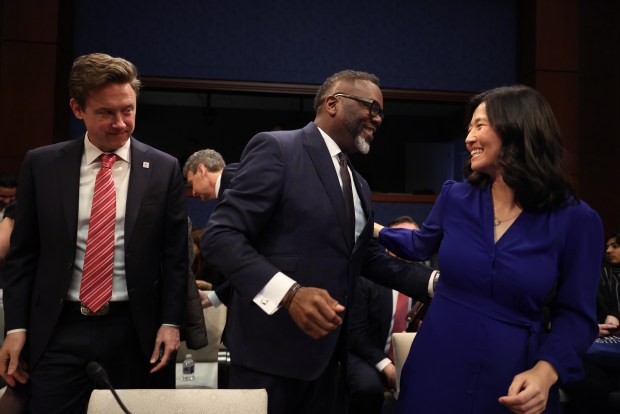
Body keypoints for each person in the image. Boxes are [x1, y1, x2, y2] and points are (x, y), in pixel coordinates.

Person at [202, 70, 437, 414]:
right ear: (333, 104)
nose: (378, 118)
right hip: (269, 356)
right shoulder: (278, 149)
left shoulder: (358, 183)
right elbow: (220, 237)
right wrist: (290, 294)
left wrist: (433, 283)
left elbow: (365, 257)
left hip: (329, 361)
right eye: (372, 107)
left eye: (382, 112)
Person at [374, 85, 604, 414]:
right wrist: (370, 228)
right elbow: (419, 243)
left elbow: (579, 317)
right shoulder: (455, 198)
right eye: (469, 127)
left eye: (479, 125)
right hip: (435, 365)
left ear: (518, 129)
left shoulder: (577, 220)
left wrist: (546, 371)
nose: (468, 138)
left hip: (512, 377)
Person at [0, 53, 188, 413]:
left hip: (135, 331)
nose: (120, 123)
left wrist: (170, 322)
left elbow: (175, 257)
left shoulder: (164, 169)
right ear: (77, 108)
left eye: (128, 110)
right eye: (106, 112)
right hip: (58, 328)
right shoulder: (42, 165)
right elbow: (24, 256)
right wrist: (16, 327)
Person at [348, 216, 432, 414]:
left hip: (415, 359)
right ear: (387, 246)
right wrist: (387, 367)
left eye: (413, 240)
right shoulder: (365, 279)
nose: (407, 247)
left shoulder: (430, 282)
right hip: (369, 357)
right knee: (367, 387)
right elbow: (356, 335)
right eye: (401, 239)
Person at [563, 232, 620, 413]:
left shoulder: (599, 272)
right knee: (594, 386)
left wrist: (612, 315)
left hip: (603, 337)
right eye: (606, 247)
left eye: (615, 246)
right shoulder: (599, 272)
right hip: (579, 338)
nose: (608, 251)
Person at [182, 148, 238, 307]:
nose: (193, 193)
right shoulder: (230, 190)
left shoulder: (239, 183)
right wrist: (213, 297)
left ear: (201, 170)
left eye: (192, 184)